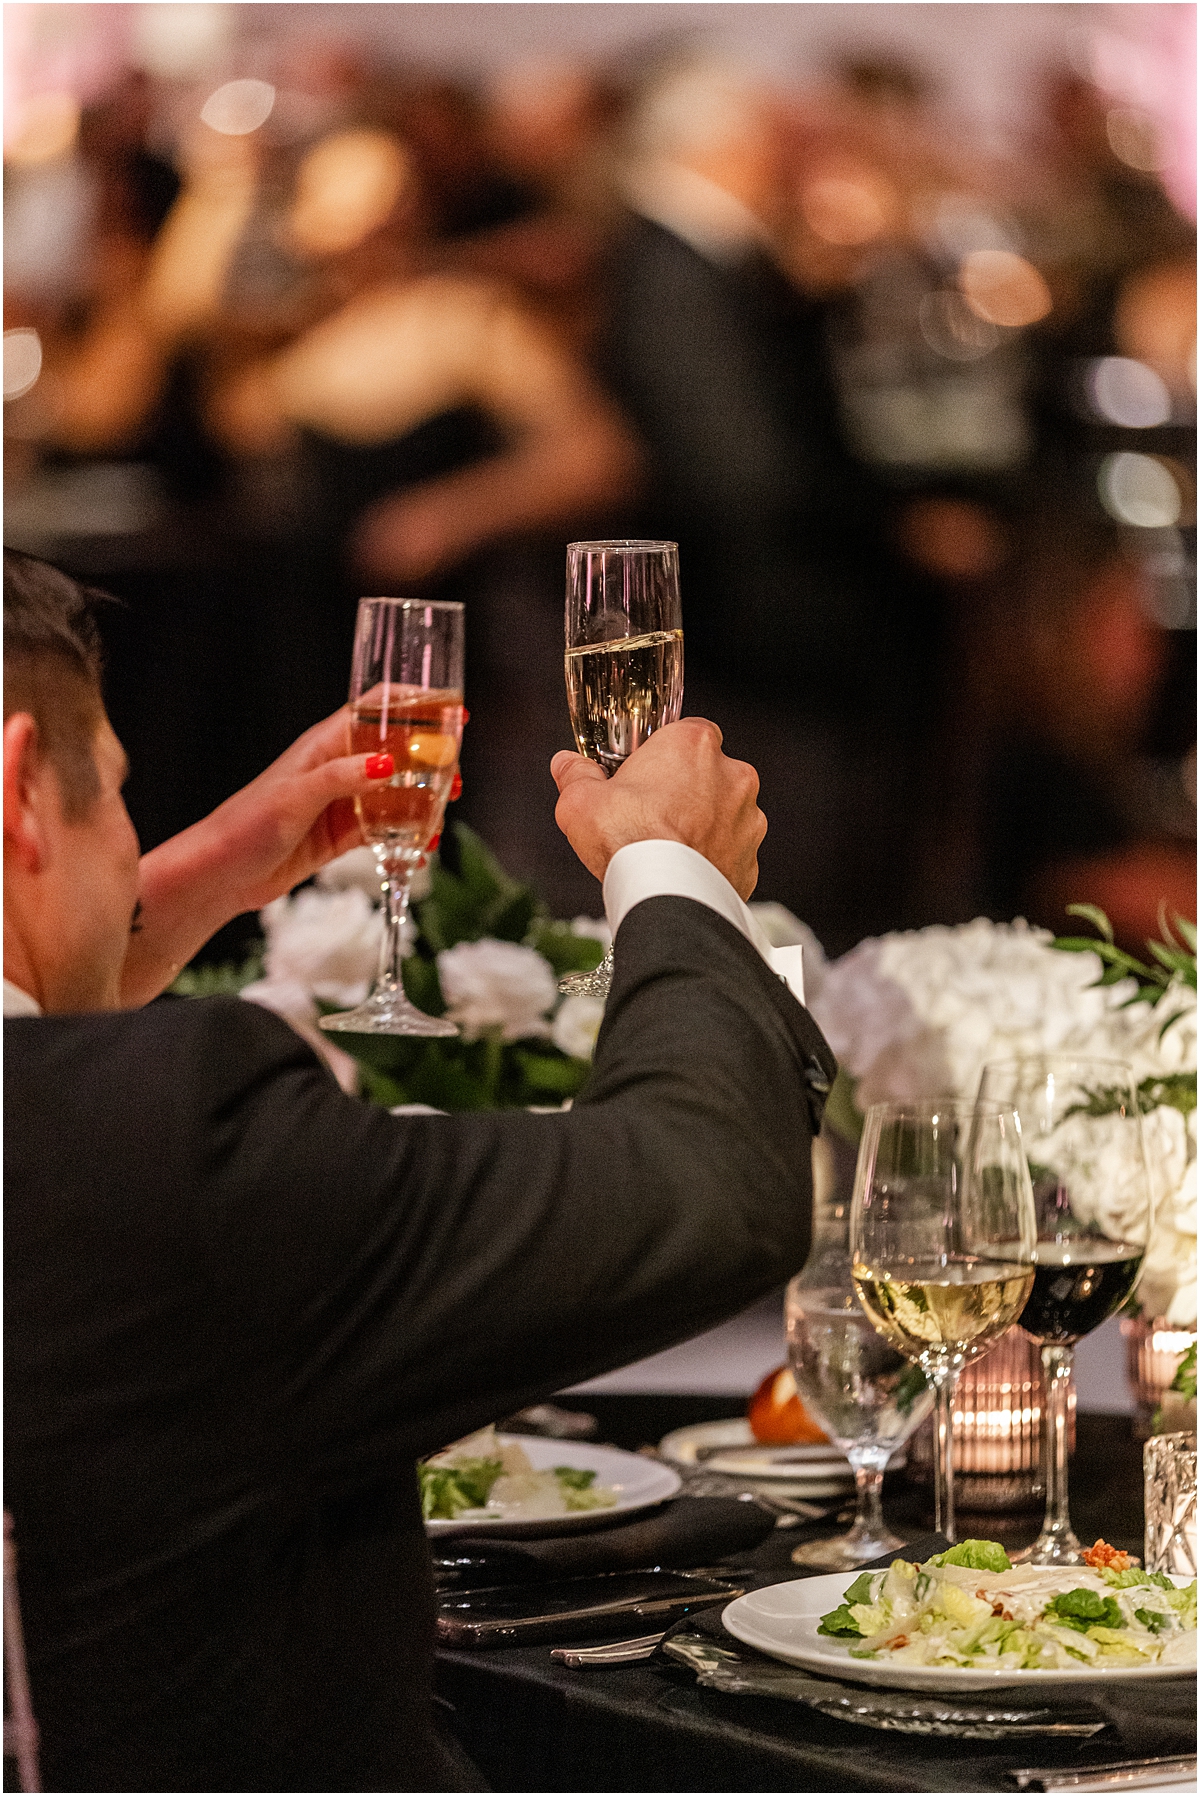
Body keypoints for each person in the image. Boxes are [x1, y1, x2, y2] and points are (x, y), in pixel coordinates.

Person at [3, 549, 834, 1792]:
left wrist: (193, 876)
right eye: (117, 800)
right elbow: (705, 1187)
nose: (132, 847)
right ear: (20, 794)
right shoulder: (169, 1141)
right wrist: (676, 871)